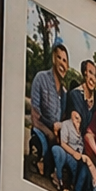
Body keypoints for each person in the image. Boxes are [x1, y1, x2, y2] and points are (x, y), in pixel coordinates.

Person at [28, 42, 69, 176]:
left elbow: (62, 120)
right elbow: (35, 116)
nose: (62, 64)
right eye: (59, 58)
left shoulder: (64, 94)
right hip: (41, 131)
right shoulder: (41, 78)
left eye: (65, 61)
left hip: (56, 137)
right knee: (37, 146)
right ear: (53, 58)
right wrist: (49, 131)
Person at [52, 107, 94, 191]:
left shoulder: (82, 129)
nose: (77, 117)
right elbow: (63, 143)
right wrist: (74, 153)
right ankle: (62, 181)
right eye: (76, 116)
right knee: (62, 155)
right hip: (69, 153)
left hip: (79, 157)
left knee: (85, 168)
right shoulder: (67, 124)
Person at [63, 59, 96, 135]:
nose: (93, 79)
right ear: (85, 74)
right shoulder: (74, 95)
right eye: (90, 73)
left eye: (95, 75)